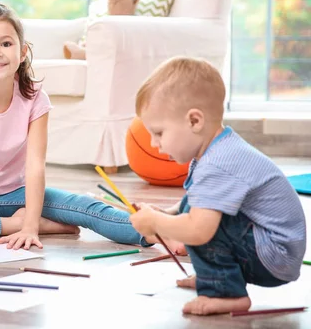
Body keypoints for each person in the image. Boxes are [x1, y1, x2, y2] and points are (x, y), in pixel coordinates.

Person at [0, 2, 179, 252]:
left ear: (22, 51)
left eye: (6, 43)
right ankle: (13, 223)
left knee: (85, 207)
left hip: (19, 194)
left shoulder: (35, 97)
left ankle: (160, 232)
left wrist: (31, 225)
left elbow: (35, 166)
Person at [128, 56, 307, 316]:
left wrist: (156, 223)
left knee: (201, 222)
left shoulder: (218, 163)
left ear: (194, 121)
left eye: (159, 133)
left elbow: (199, 229)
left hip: (275, 256)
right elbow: (194, 200)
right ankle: (213, 277)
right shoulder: (218, 149)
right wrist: (167, 215)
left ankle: (226, 292)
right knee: (195, 205)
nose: (155, 144)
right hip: (272, 246)